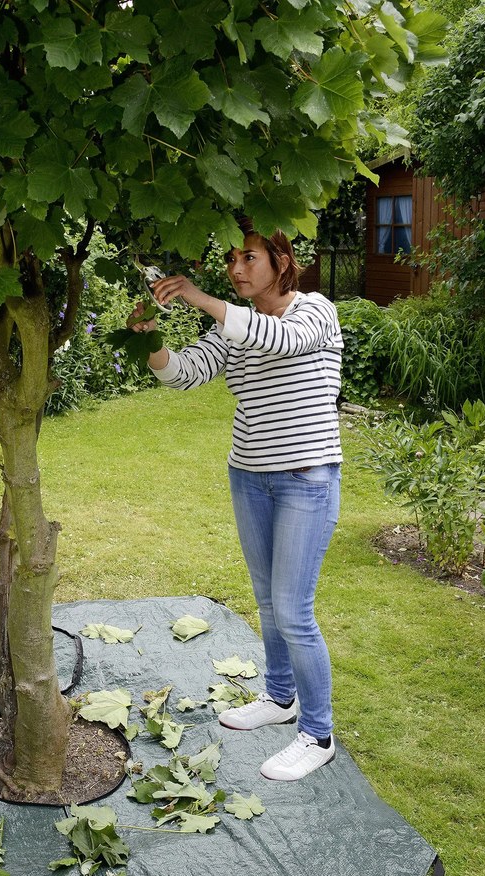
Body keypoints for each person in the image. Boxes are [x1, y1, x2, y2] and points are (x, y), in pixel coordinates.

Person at [128, 219, 343, 782]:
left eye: (249, 258)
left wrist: (200, 297)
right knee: (268, 603)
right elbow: (183, 374)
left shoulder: (313, 311)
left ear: (280, 260)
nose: (236, 269)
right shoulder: (234, 329)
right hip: (249, 477)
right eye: (231, 259)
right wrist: (151, 337)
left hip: (305, 478)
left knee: (294, 610)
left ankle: (317, 734)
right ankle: (279, 699)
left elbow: (278, 340)